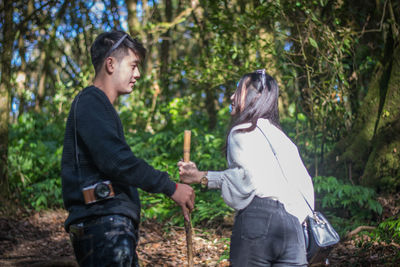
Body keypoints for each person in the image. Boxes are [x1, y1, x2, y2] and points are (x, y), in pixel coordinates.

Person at [61, 30, 195, 267]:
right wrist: (171, 187)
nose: (138, 74)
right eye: (133, 66)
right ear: (110, 64)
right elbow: (116, 161)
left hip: (108, 226)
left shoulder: (99, 106)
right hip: (103, 225)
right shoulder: (91, 101)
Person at [178, 69, 314, 266]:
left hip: (259, 220)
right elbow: (304, 184)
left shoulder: (243, 130)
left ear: (254, 96)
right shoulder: (284, 139)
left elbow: (245, 181)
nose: (232, 96)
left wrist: (201, 177)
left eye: (238, 90)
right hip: (295, 230)